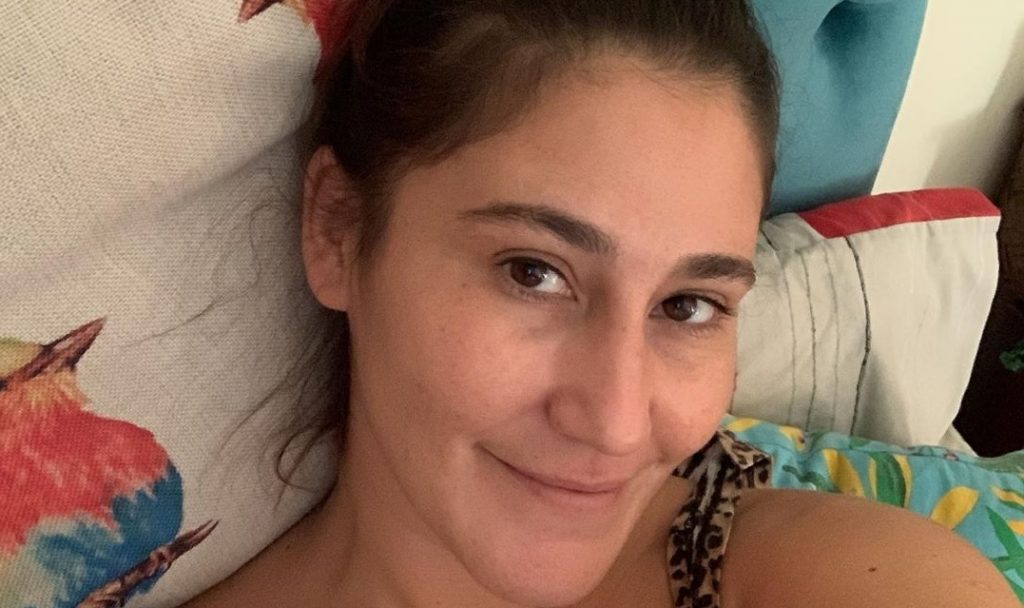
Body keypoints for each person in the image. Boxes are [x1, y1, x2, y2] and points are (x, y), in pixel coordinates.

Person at [185, 0, 1018, 606]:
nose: (617, 424)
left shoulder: (833, 580)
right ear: (338, 228)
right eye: (533, 273)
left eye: (688, 306)